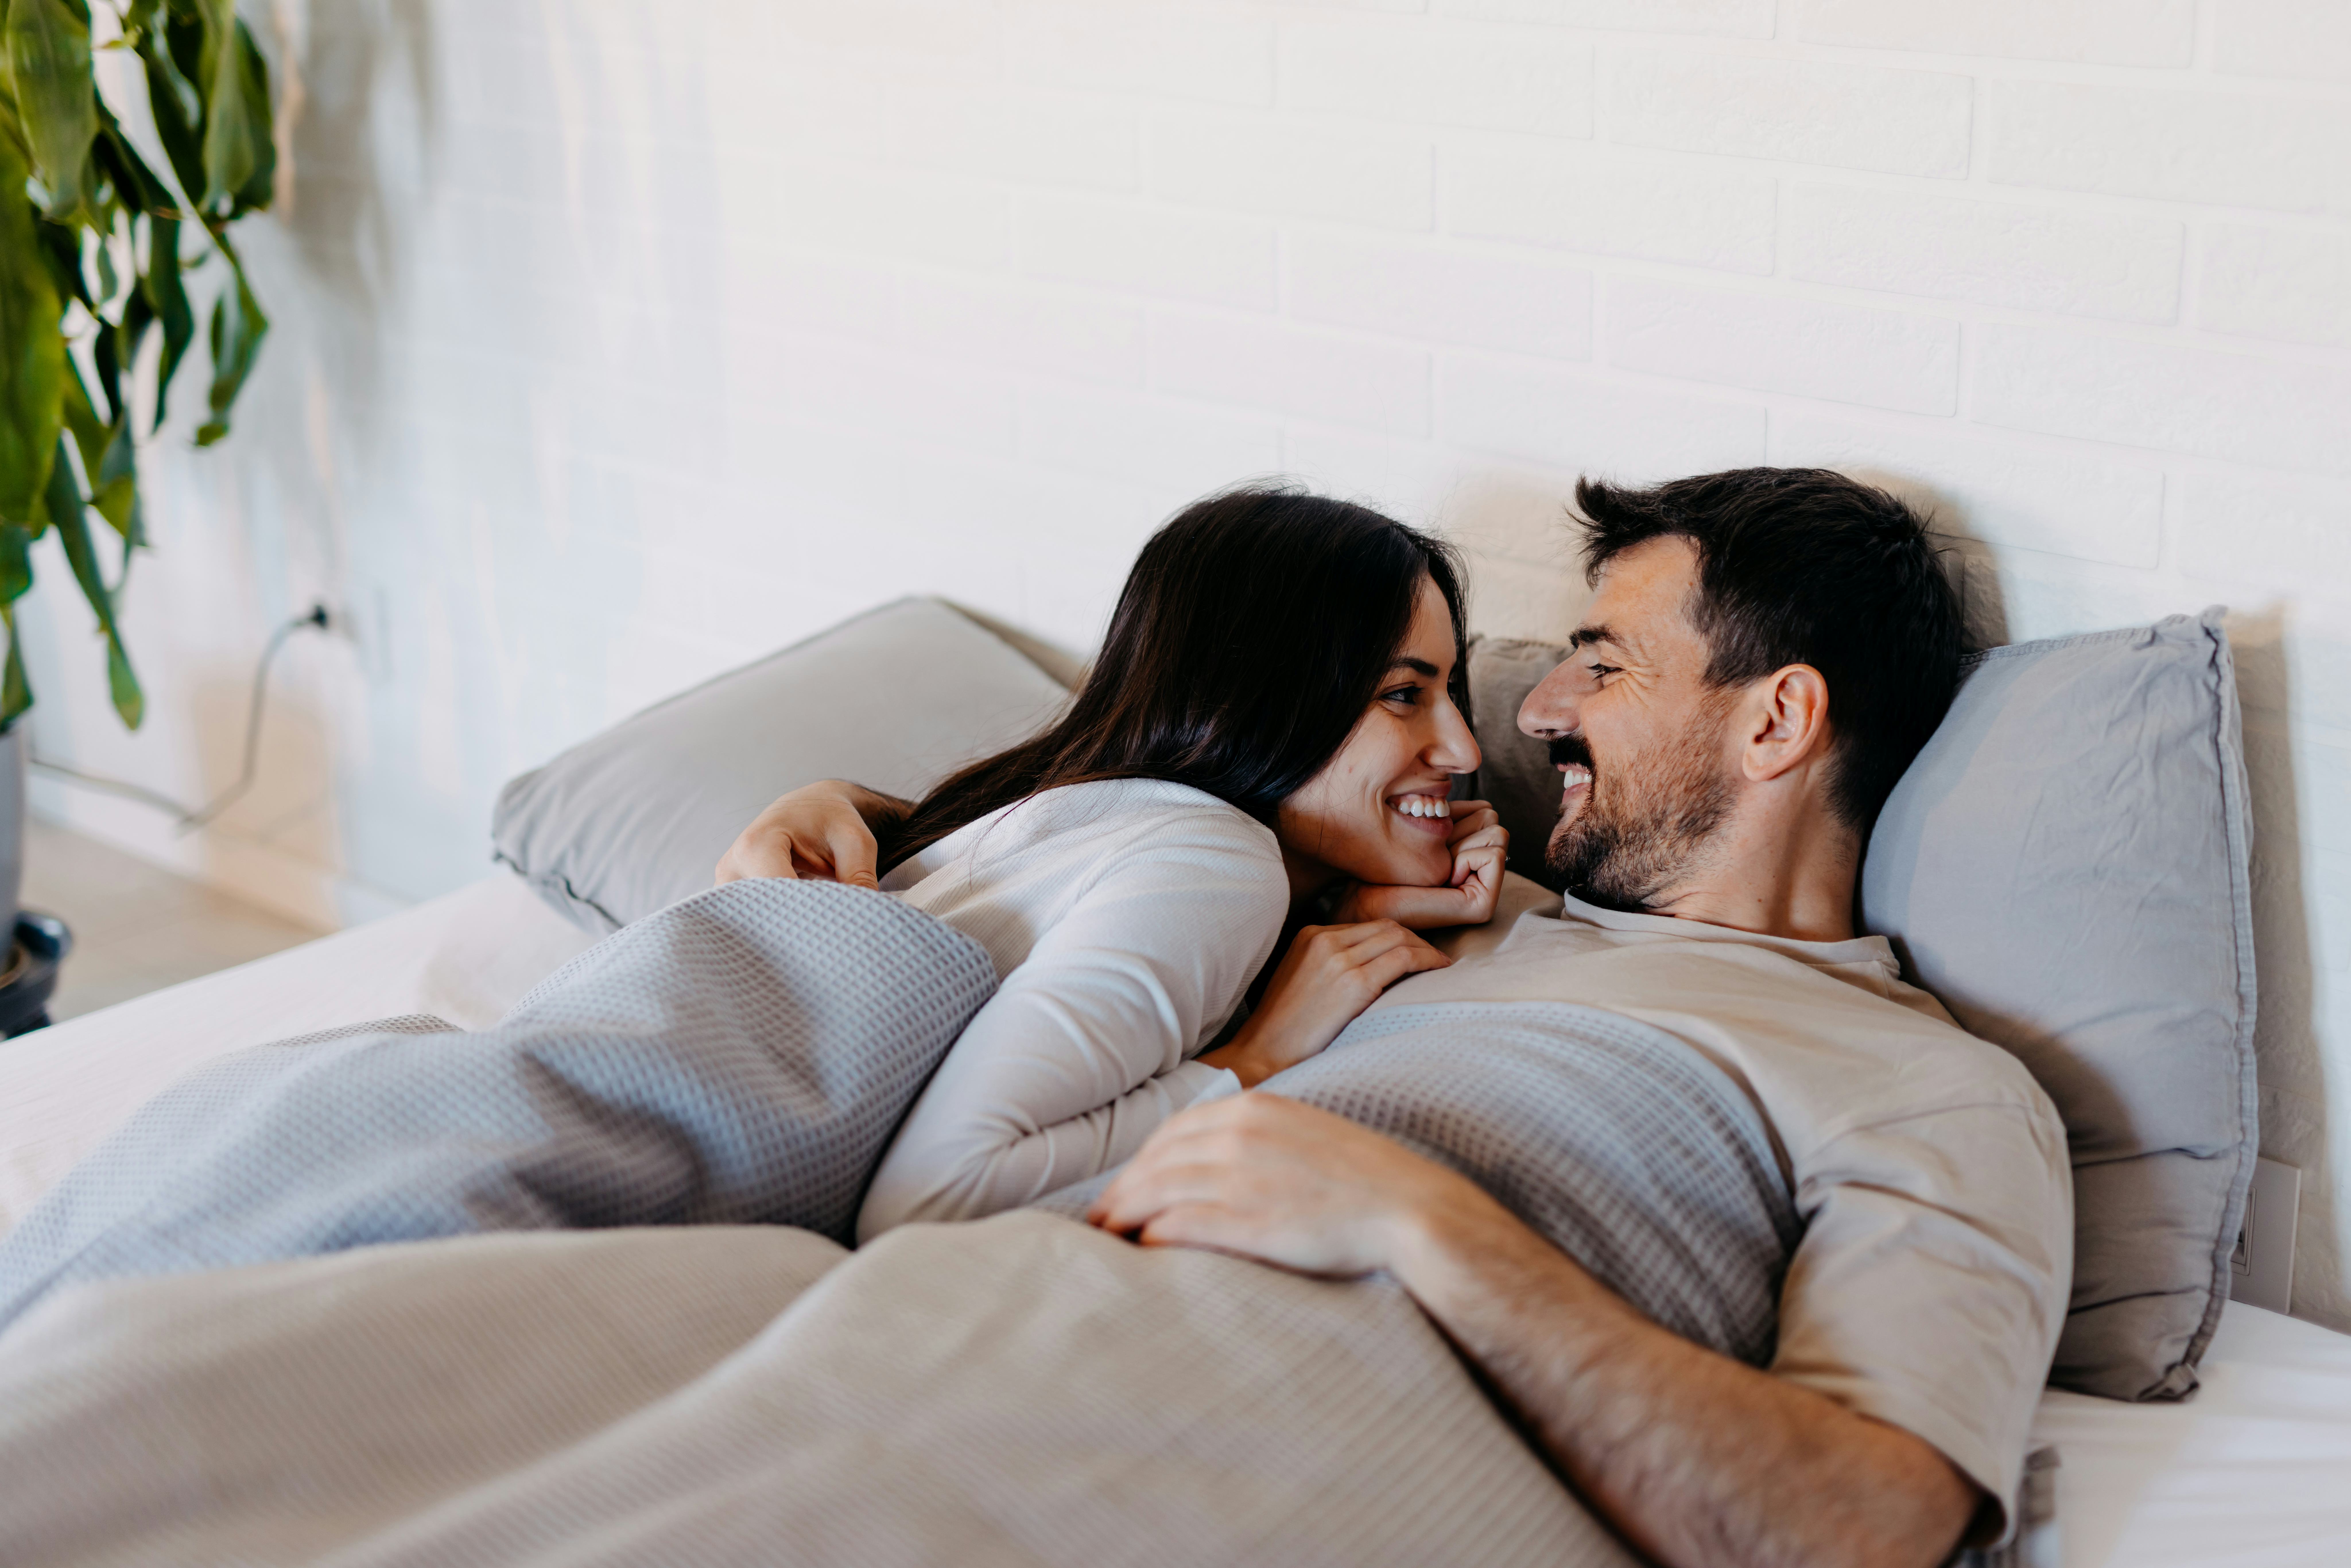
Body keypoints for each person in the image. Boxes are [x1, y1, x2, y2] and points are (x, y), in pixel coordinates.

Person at [1089, 468, 2073, 1568]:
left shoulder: (1931, 1084)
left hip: (1234, 1451)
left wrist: (1426, 1228)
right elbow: (1150, 789)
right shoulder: (1438, 907)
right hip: (1008, 1310)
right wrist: (878, 822)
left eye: (1603, 666)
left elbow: (1873, 1526)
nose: (1531, 713)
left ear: (1779, 720)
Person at [716, 485, 1509, 1241]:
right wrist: (1255, 1059)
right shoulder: (1217, 861)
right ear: (1258, 699)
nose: (1464, 748)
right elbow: (933, 1197)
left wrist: (1346, 912)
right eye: (1405, 695)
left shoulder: (1138, 838)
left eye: (1452, 695)